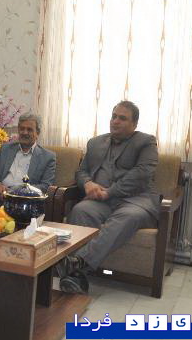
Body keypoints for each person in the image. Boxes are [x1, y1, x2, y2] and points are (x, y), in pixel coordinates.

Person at [58, 101, 158, 294]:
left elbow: (142, 174)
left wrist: (109, 192)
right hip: (101, 201)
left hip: (135, 201)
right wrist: (88, 183)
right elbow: (82, 171)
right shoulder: (95, 143)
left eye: (122, 118)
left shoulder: (146, 142)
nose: (115, 121)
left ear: (134, 124)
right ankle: (77, 276)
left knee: (127, 217)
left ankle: (78, 263)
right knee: (81, 210)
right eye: (114, 116)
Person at [0, 112, 56, 211]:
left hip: (24, 200)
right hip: (1, 195)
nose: (24, 132)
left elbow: (45, 186)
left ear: (37, 133)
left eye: (29, 129)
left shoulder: (47, 157)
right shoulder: (5, 149)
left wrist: (17, 191)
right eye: (22, 129)